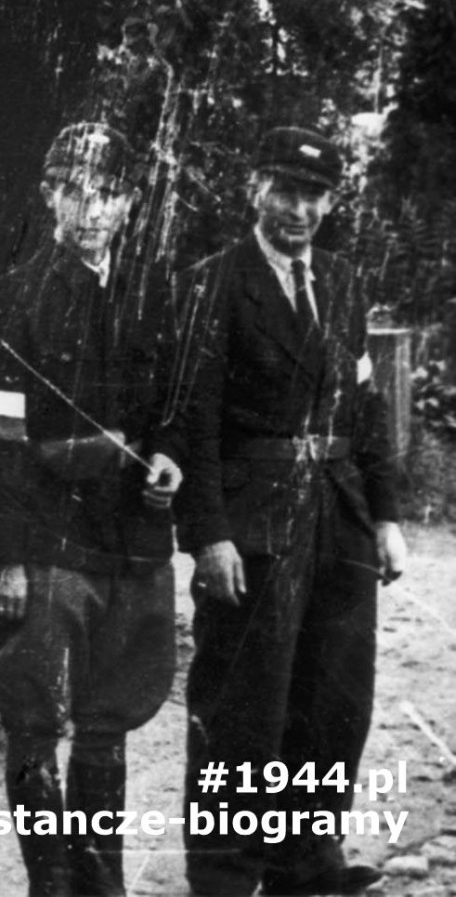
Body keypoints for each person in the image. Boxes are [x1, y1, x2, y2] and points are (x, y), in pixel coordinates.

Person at [173, 127, 409, 897]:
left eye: (314, 194)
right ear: (255, 191)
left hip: (337, 517)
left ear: (331, 201)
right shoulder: (214, 280)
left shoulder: (341, 282)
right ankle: (226, 874)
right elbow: (194, 421)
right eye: (285, 189)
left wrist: (387, 516)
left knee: (334, 697)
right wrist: (209, 534)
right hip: (256, 519)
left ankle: (306, 862)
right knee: (244, 707)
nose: (300, 207)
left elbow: (367, 410)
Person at [0, 122, 184, 897]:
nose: (92, 208)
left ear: (130, 203)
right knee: (33, 723)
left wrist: (167, 458)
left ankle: (102, 886)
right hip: (47, 544)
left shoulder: (153, 293)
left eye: (109, 193)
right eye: (77, 189)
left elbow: (174, 410)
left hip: (130, 544)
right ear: (50, 193)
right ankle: (50, 885)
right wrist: (9, 558)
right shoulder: (14, 292)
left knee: (107, 723)